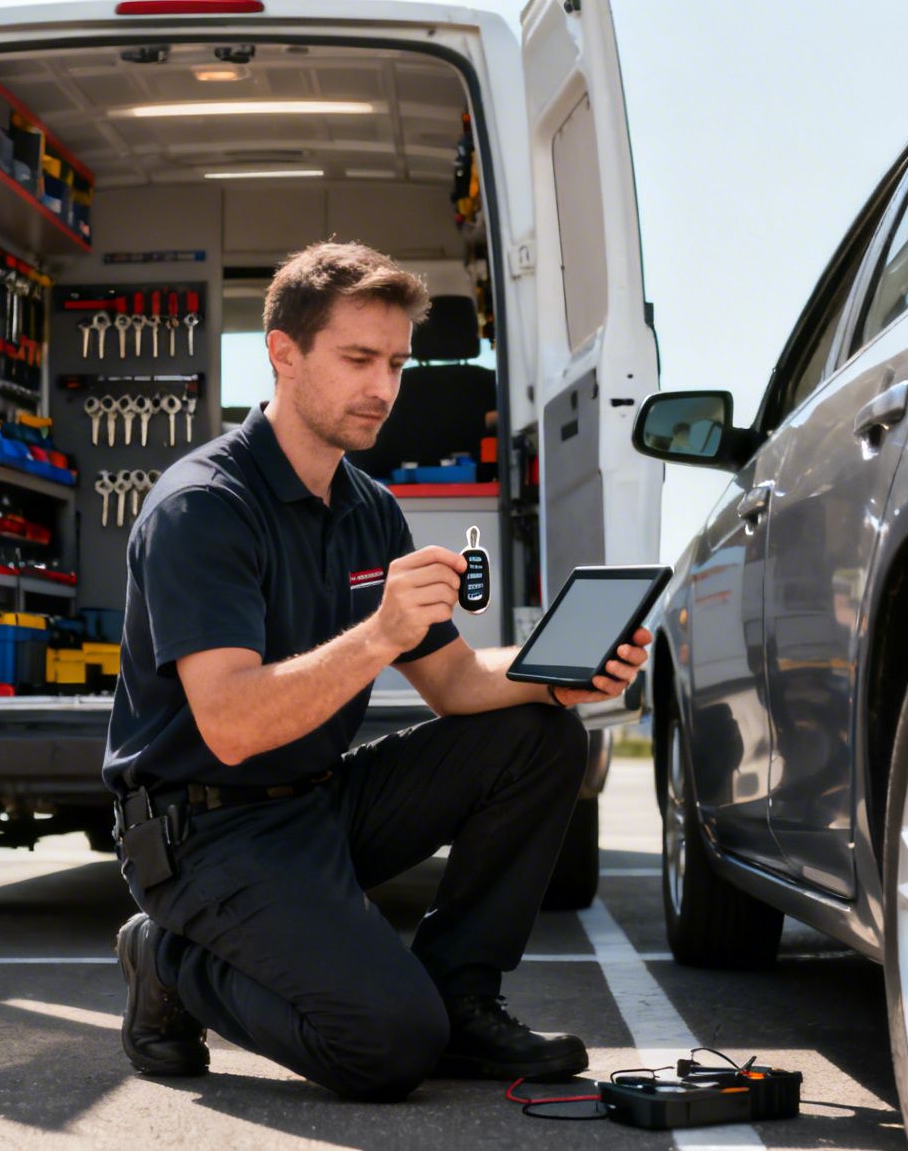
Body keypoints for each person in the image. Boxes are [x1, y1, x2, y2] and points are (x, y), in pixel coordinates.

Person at [102, 241, 650, 1102]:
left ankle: (463, 996)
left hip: (317, 801)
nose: (383, 386)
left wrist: (562, 673)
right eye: (357, 359)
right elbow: (233, 726)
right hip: (203, 831)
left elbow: (459, 684)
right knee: (387, 1047)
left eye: (395, 363)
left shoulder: (370, 508)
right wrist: (379, 634)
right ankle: (167, 958)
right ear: (283, 353)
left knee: (539, 735)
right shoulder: (203, 508)